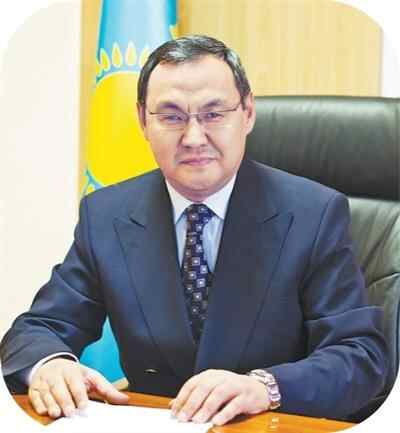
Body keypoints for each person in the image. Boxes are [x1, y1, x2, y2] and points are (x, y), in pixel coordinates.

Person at [0, 35, 387, 426]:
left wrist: (266, 387)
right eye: (171, 117)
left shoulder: (313, 213)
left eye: (214, 114)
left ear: (248, 113)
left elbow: (361, 354)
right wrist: (50, 364)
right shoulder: (106, 214)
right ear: (143, 121)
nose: (194, 138)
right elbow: (39, 329)